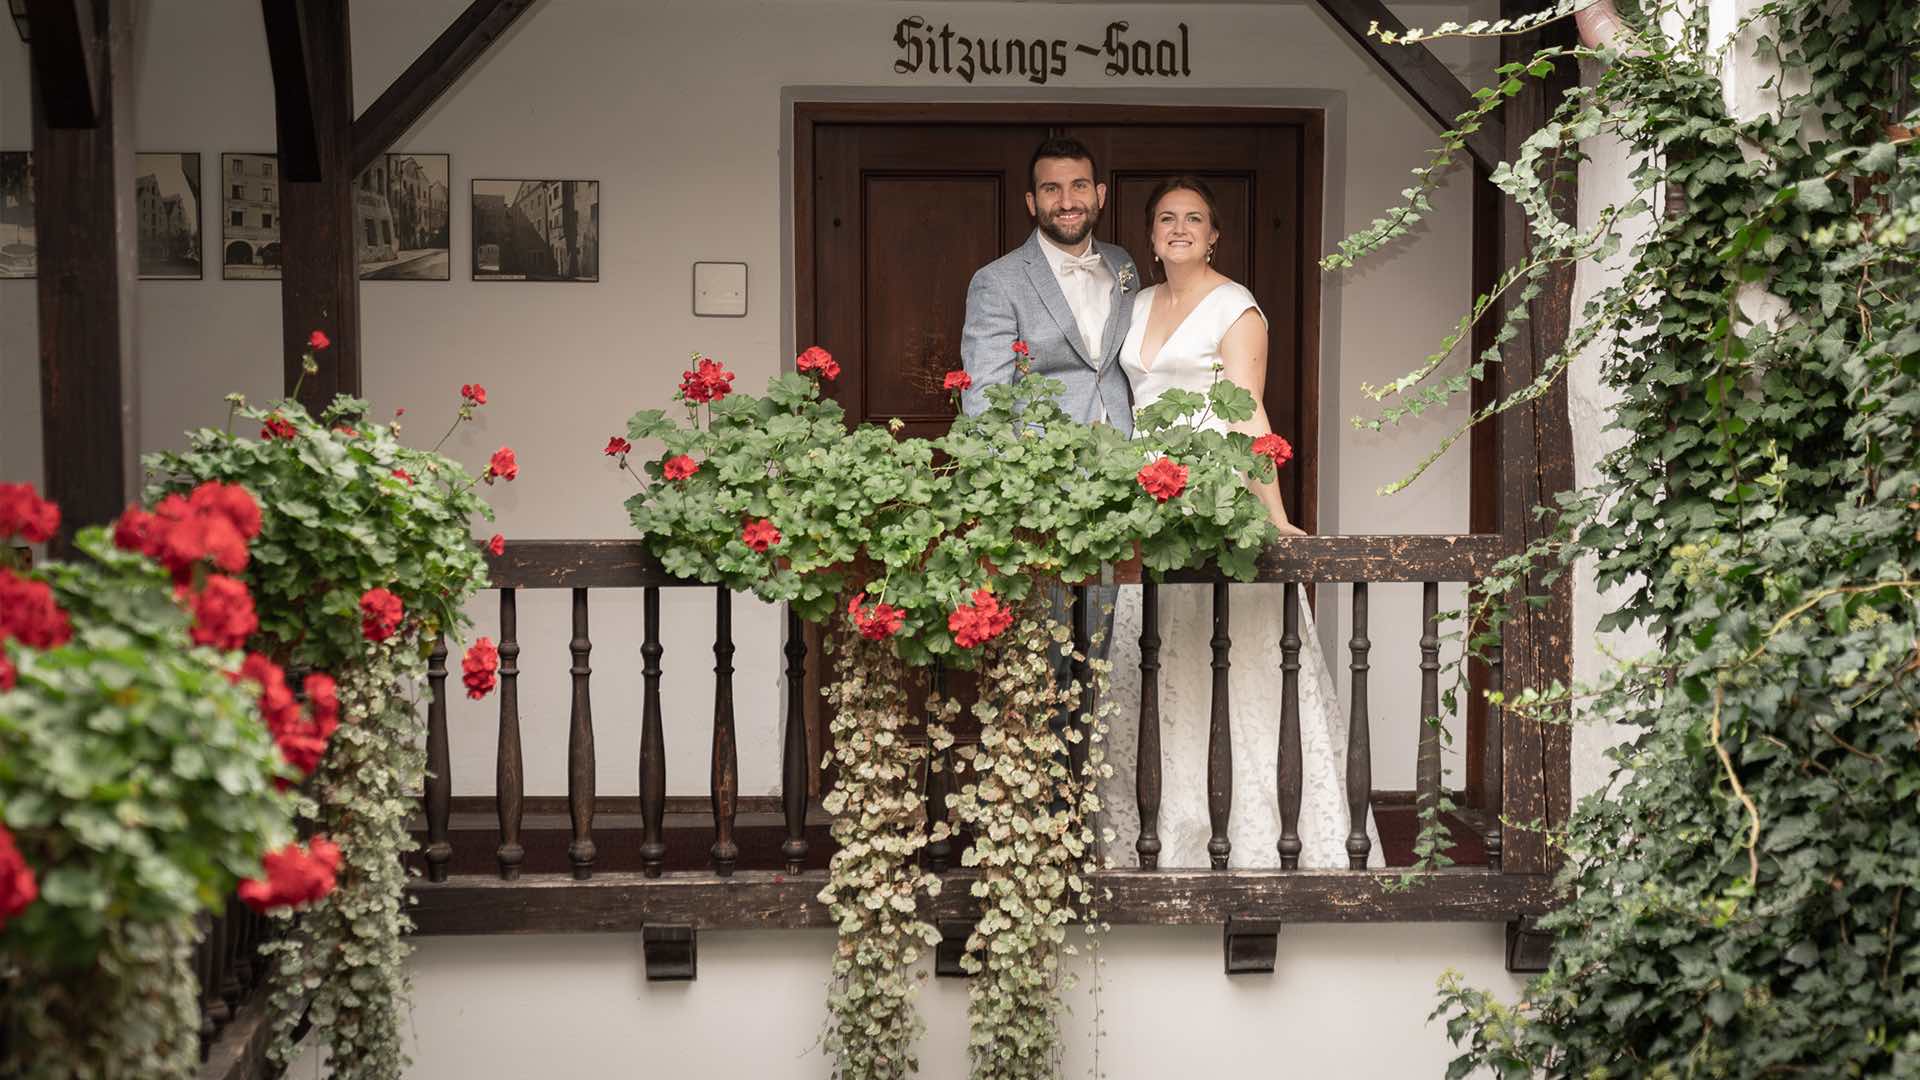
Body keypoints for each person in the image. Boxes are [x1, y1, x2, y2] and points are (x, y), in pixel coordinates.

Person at [1102, 176, 1384, 869]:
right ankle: (1162, 828)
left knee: (1231, 660)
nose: (1179, 228)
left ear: (1214, 234)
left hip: (1210, 499)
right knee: (1160, 659)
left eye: (1194, 218)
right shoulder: (1134, 306)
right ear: (1149, 234)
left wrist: (1276, 513)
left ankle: (1259, 833)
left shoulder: (1237, 307)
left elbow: (1247, 410)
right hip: (1147, 504)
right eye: (1166, 218)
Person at [958, 136, 1140, 790]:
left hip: (1120, 497)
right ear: (1032, 199)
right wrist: (1017, 492)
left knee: (1107, 655)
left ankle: (1096, 804)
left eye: (1079, 186)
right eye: (1053, 189)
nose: (1068, 200)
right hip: (1042, 504)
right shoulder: (998, 280)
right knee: (1045, 663)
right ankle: (1044, 804)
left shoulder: (1123, 266)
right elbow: (983, 397)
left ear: (1100, 194)